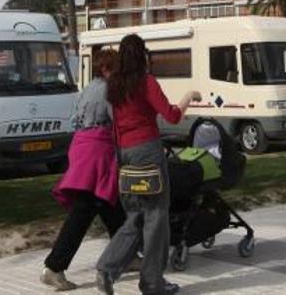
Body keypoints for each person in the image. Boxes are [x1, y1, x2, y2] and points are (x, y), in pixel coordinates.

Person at [96, 34, 201, 295]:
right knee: (156, 217)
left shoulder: (114, 86)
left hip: (124, 154)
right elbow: (172, 116)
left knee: (135, 216)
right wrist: (189, 96)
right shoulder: (146, 82)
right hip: (148, 153)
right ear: (143, 55)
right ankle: (153, 283)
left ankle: (107, 268)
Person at [41, 49, 126, 291]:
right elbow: (118, 120)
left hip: (82, 147)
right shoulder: (109, 90)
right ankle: (54, 267)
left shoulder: (88, 88)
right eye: (118, 68)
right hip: (97, 154)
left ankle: (127, 254)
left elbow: (74, 120)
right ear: (108, 69)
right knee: (85, 210)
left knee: (112, 207)